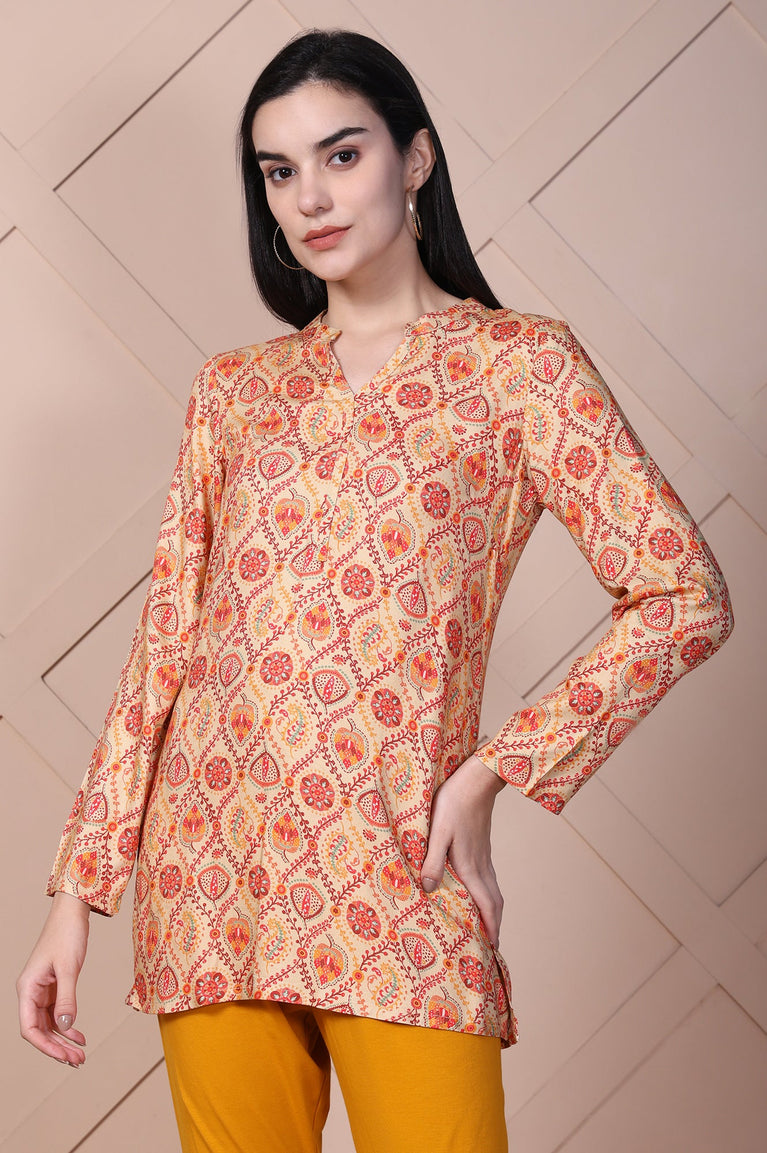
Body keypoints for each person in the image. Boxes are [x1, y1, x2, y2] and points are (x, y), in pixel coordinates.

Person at [17, 26, 733, 1153]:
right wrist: (77, 896)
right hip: (208, 889)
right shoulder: (235, 393)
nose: (309, 197)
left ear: (416, 158)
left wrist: (494, 770)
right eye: (278, 171)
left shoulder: (520, 367)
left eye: (340, 155)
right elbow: (165, 649)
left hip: (399, 875)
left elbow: (680, 594)